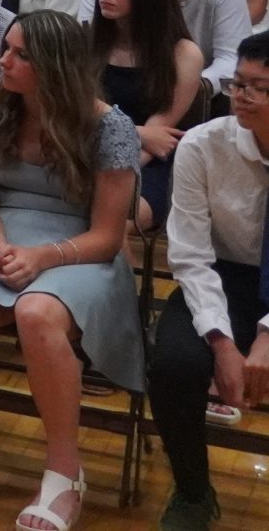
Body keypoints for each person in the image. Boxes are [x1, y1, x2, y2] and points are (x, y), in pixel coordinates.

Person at [0, 12, 142, 531]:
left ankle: (65, 470)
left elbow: (109, 236)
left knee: (38, 312)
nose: (4, 60)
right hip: (2, 232)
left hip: (79, 247)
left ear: (56, 67)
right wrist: (0, 248)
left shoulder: (110, 127)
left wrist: (44, 257)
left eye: (21, 54)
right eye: (7, 47)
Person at [146, 31, 269, 531]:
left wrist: (266, 335)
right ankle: (194, 491)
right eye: (237, 84)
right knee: (174, 363)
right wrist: (221, 341)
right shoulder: (203, 144)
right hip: (224, 278)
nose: (240, 96)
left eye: (257, 88)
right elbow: (192, 256)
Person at [91, 0, 205, 224]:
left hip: (147, 160)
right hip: (88, 149)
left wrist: (107, 178)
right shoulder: (86, 41)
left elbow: (159, 137)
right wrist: (139, 131)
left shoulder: (184, 54)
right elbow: (74, 113)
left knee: (118, 216)